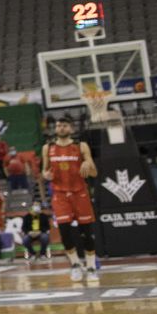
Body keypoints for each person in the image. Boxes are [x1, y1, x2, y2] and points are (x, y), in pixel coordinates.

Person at [42, 116, 99, 281]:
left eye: (64, 126)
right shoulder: (48, 148)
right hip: (60, 195)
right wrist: (46, 175)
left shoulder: (81, 146)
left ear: (71, 129)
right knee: (64, 231)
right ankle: (75, 264)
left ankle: (91, 267)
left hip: (79, 193)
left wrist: (88, 165)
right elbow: (44, 173)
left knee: (86, 233)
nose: (61, 128)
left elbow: (94, 173)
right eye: (58, 125)